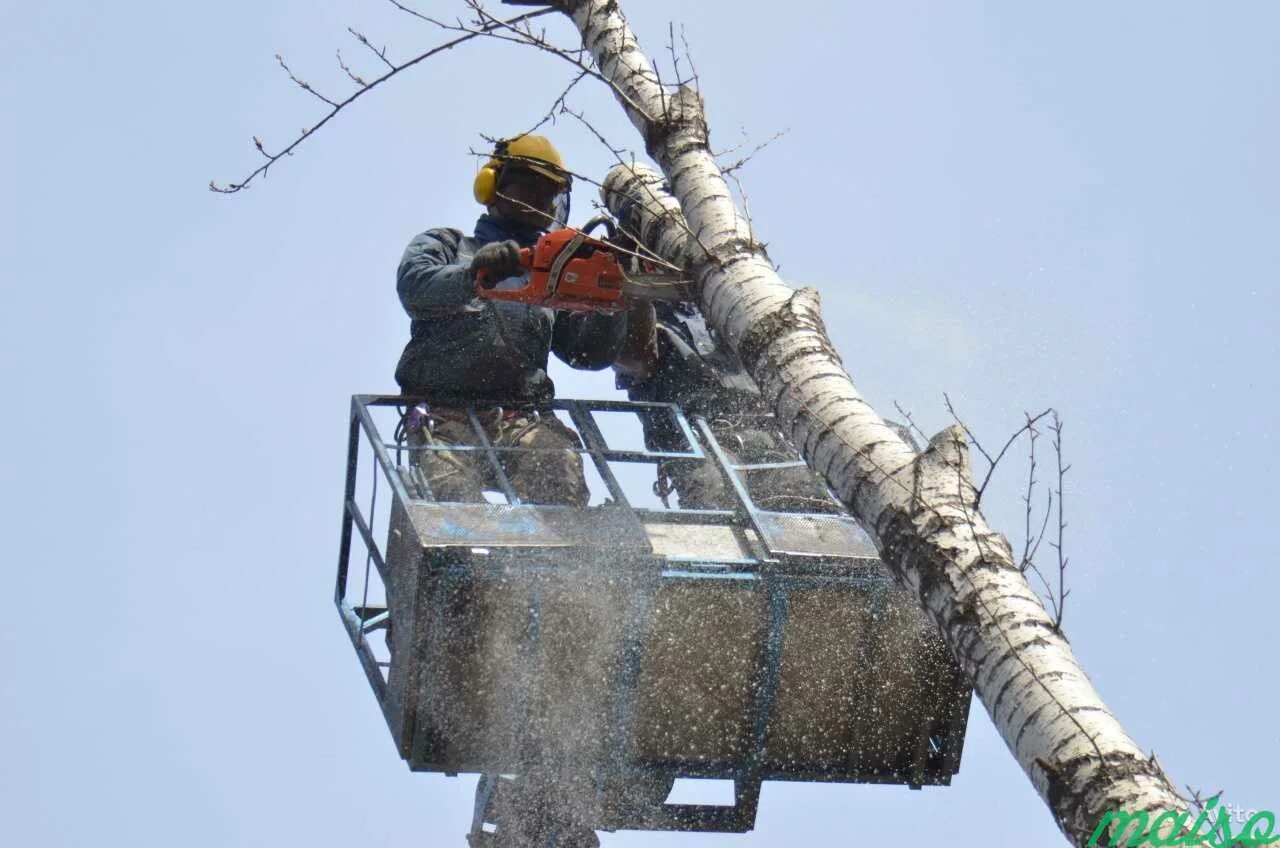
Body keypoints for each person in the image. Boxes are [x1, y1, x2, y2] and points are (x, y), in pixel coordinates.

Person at [393, 134, 624, 506]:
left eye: (548, 194)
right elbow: (415, 287)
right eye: (529, 188)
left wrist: (612, 303)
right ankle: (469, 562)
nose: (540, 202)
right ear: (492, 188)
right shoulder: (450, 246)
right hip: (446, 417)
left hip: (522, 419)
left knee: (558, 477)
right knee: (452, 500)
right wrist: (474, 275)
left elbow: (587, 354)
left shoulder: (552, 276)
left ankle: (569, 562)